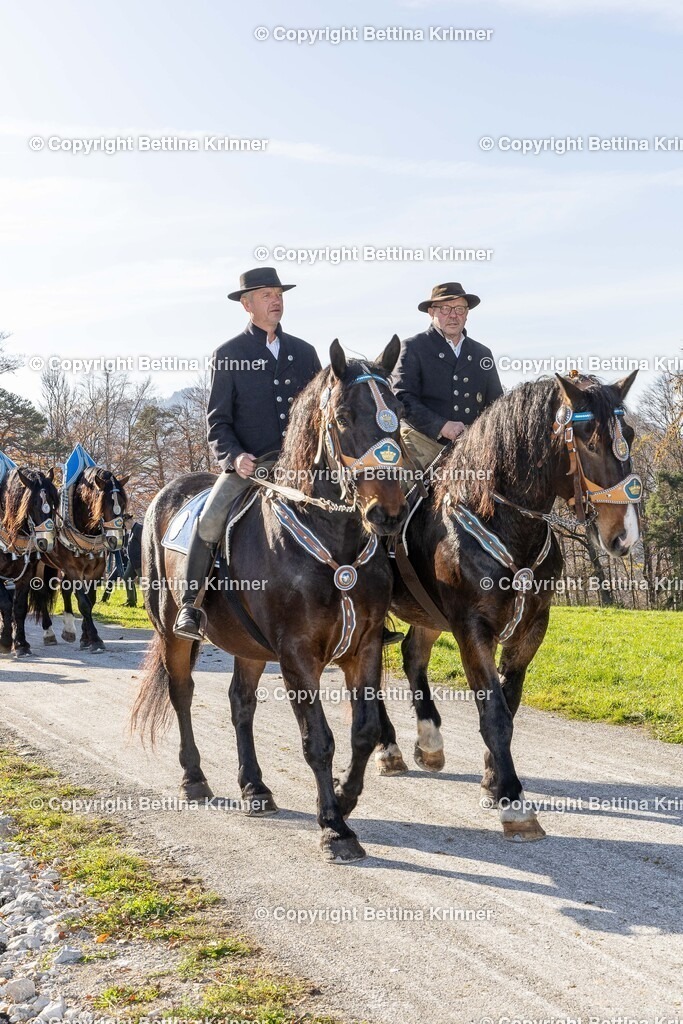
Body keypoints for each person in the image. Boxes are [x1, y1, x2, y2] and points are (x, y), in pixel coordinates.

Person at [173, 267, 321, 640]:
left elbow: (322, 412)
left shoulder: (305, 353)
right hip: (251, 466)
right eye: (267, 295)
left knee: (356, 508)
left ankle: (369, 608)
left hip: (304, 465)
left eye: (279, 294)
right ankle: (191, 605)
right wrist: (235, 457)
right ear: (246, 304)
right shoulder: (229, 354)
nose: (276, 300)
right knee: (209, 520)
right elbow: (217, 422)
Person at [392, 282, 503, 472]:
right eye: (445, 309)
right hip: (422, 441)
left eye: (460, 309)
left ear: (467, 313)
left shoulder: (482, 353)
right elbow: (402, 398)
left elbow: (497, 405)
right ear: (431, 312)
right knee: (400, 489)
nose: (453, 315)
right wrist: (441, 426)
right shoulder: (412, 347)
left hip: (474, 446)